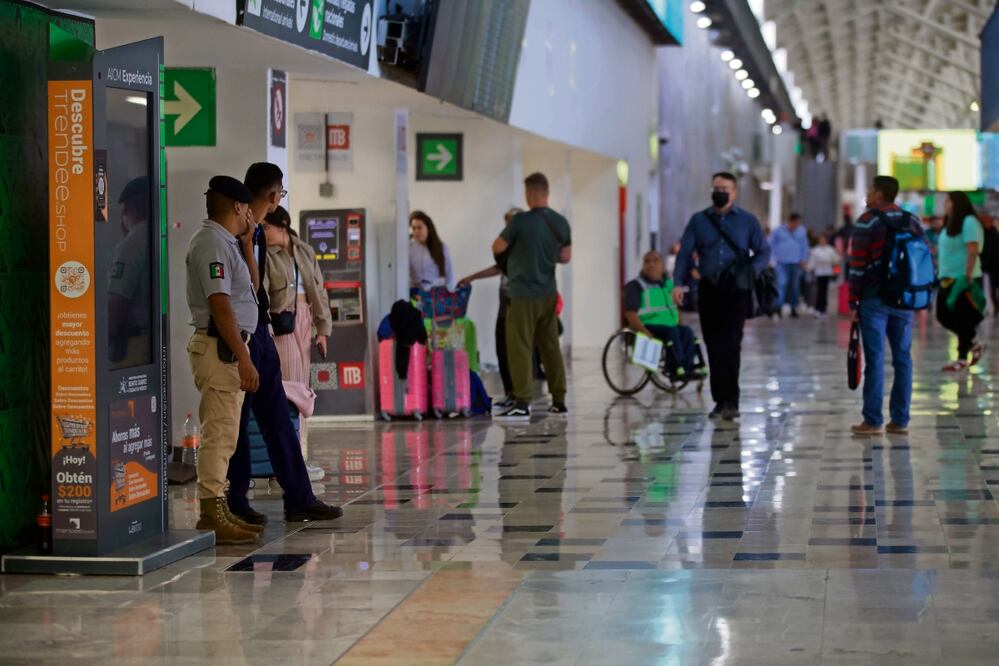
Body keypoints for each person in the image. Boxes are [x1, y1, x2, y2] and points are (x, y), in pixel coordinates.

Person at [226, 163, 343, 525]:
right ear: (275, 196)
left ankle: (299, 495)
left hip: (260, 331)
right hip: (243, 335)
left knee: (278, 415)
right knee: (239, 417)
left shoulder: (255, 234)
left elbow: (257, 283)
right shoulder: (233, 228)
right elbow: (230, 290)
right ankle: (236, 498)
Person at [185, 175, 262, 545]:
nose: (250, 213)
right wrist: (244, 357)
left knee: (227, 434)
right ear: (237, 207)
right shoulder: (212, 242)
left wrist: (248, 242)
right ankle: (210, 513)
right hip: (221, 350)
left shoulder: (227, 242)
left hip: (228, 349)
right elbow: (220, 305)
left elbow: (251, 291)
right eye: (247, 207)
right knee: (219, 434)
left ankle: (220, 507)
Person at [673, 172, 770, 420]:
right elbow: (685, 253)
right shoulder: (699, 220)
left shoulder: (747, 221)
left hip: (736, 291)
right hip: (708, 289)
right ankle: (719, 400)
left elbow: (763, 251)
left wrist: (750, 272)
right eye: (716, 187)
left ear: (734, 192)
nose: (720, 191)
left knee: (731, 343)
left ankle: (731, 400)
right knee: (713, 344)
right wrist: (677, 283)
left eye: (725, 188)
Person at [848, 175, 926, 436]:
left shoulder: (867, 220)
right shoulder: (912, 220)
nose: (868, 195)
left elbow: (857, 264)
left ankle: (872, 420)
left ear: (880, 194)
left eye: (870, 190)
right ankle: (900, 420)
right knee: (903, 359)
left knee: (876, 358)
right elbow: (923, 258)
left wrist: (853, 300)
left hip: (874, 299)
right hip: (905, 299)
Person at [491, 172, 571, 420]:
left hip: (522, 294)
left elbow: (497, 247)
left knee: (520, 347)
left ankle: (522, 401)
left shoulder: (520, 221)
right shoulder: (560, 222)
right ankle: (559, 400)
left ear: (529, 193)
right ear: (546, 192)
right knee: (550, 347)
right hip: (548, 293)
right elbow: (565, 257)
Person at [262, 205, 333, 476]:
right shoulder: (266, 255)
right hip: (282, 322)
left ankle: (297, 456)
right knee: (291, 388)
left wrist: (322, 330)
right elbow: (263, 293)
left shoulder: (304, 250)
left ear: (282, 225)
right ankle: (290, 460)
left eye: (266, 227)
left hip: (305, 319)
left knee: (301, 385)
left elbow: (319, 291)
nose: (263, 232)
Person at [458, 207, 522, 408]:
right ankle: (510, 393)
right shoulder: (507, 250)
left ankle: (520, 394)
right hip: (504, 306)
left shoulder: (524, 249)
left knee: (515, 352)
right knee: (501, 350)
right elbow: (498, 269)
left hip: (517, 306)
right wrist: (472, 277)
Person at [623, 251, 703, 378]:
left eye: (655, 261)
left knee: (687, 331)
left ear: (662, 266)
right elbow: (630, 313)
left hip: (669, 326)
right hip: (648, 326)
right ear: (643, 265)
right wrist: (644, 332)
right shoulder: (636, 286)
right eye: (647, 261)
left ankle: (687, 367)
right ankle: (675, 369)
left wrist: (680, 325)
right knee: (672, 332)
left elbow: (675, 309)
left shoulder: (669, 285)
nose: (651, 264)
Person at [935, 191, 986, 371]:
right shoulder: (950, 223)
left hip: (964, 280)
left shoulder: (969, 222)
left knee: (961, 318)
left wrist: (967, 276)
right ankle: (973, 344)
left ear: (957, 203)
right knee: (944, 315)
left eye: (948, 201)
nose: (945, 204)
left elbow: (972, 250)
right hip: (948, 279)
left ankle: (962, 358)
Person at [108, 177, 152, 368]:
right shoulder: (156, 235)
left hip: (134, 343)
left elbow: (117, 300)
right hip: (153, 339)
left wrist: (106, 339)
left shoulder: (132, 243)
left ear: (126, 209)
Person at [770, 213, 810, 318]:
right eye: (796, 222)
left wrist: (804, 259)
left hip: (796, 263)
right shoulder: (778, 231)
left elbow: (805, 246)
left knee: (794, 286)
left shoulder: (801, 232)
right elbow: (770, 244)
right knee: (781, 284)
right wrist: (771, 259)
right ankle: (778, 307)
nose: (797, 225)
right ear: (791, 221)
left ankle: (793, 307)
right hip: (781, 263)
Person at [409, 211, 455, 291]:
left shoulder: (441, 248)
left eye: (419, 227)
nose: (416, 231)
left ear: (428, 228)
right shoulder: (408, 248)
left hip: (435, 294)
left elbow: (449, 275)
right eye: (413, 228)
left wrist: (450, 295)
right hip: (415, 294)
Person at [808, 232, 840, 317]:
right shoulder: (815, 250)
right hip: (819, 273)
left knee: (824, 291)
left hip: (827, 272)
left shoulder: (830, 250)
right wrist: (807, 267)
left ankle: (824, 309)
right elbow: (812, 263)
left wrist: (836, 271)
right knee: (819, 291)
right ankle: (818, 308)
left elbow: (836, 261)